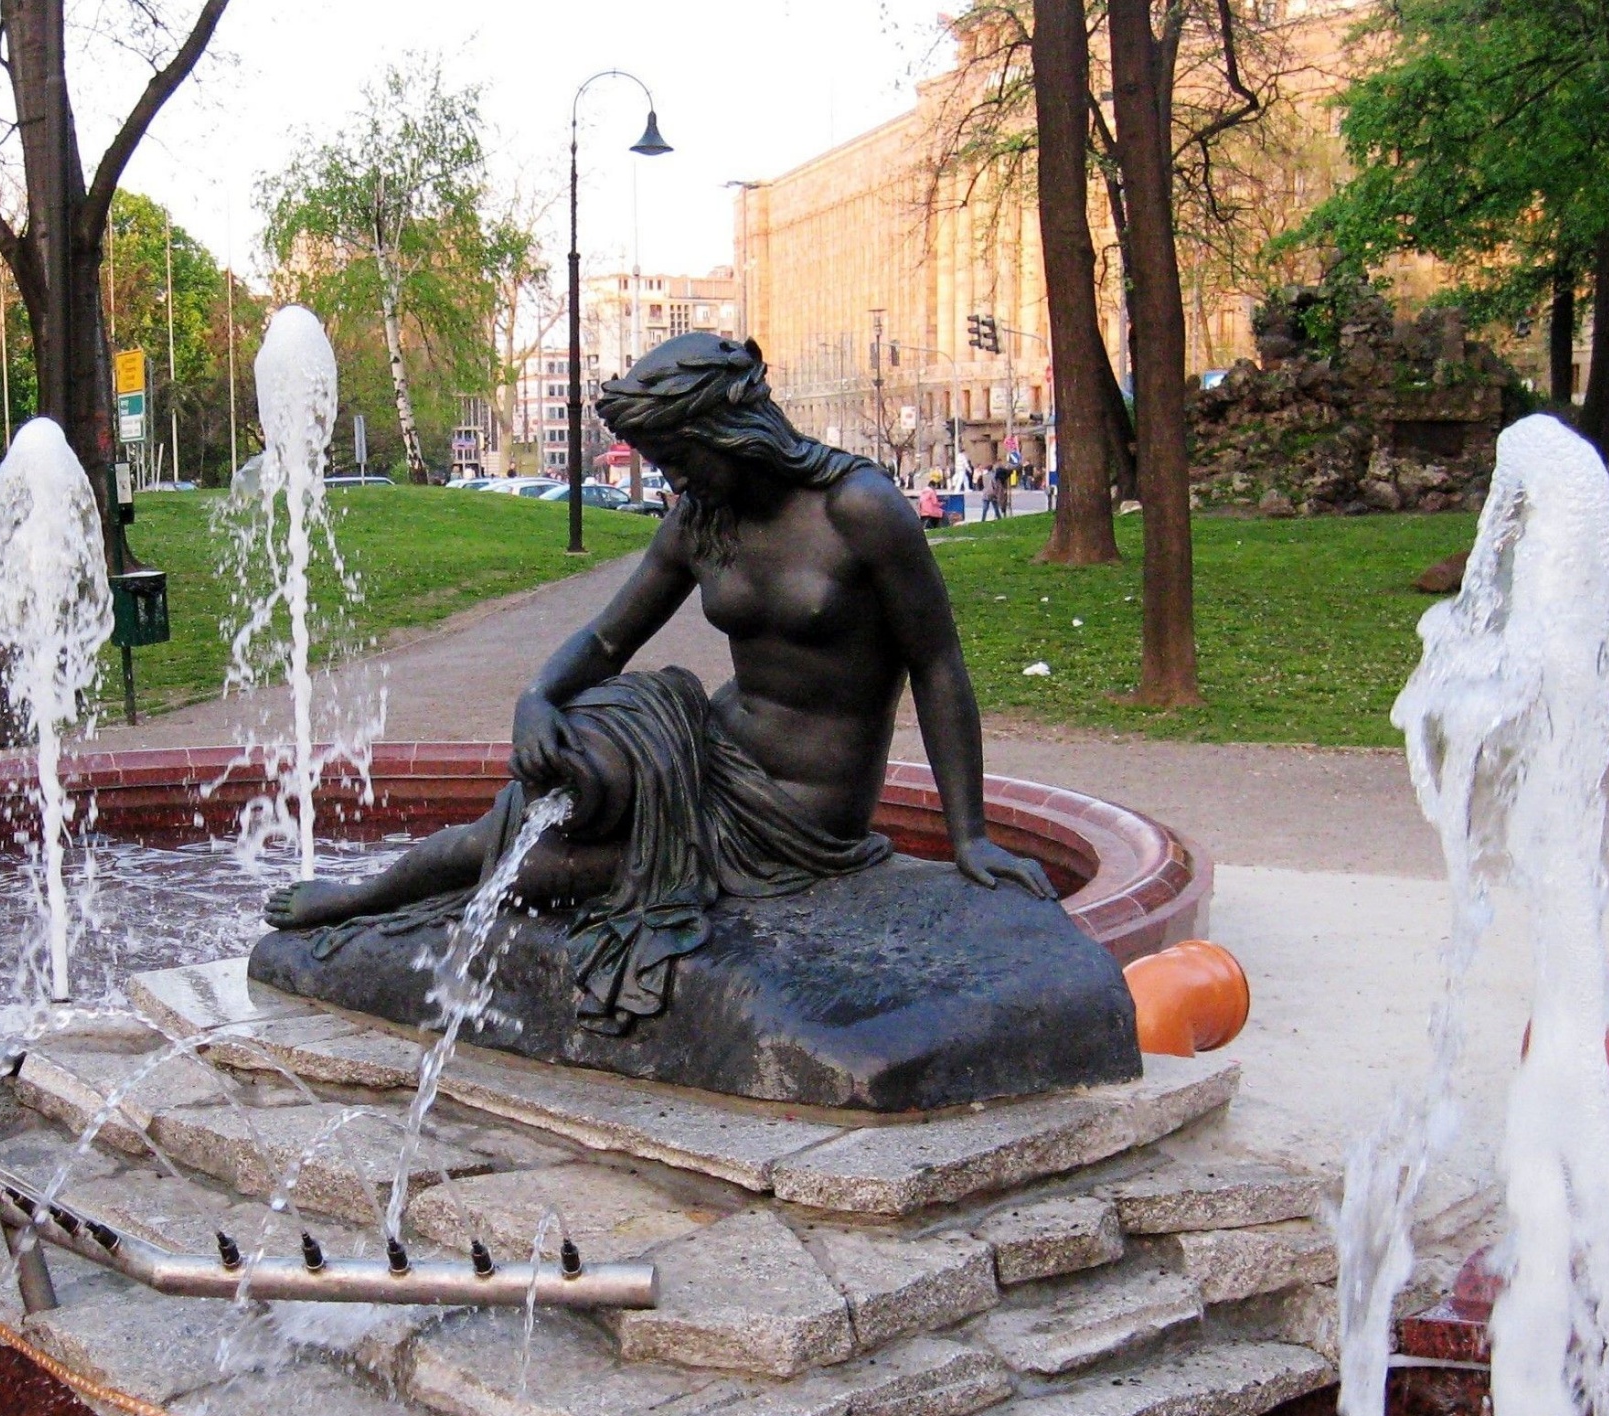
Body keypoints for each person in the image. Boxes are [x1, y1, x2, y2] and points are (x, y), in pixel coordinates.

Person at [264, 333, 1049, 1029]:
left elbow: (938, 666)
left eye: (679, 455)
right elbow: (608, 639)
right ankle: (365, 895)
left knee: (537, 872)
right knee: (553, 780)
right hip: (704, 745)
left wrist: (968, 834)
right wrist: (537, 700)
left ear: (729, 432)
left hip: (798, 809)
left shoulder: (862, 509)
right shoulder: (701, 516)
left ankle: (376, 905)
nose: (671, 476)